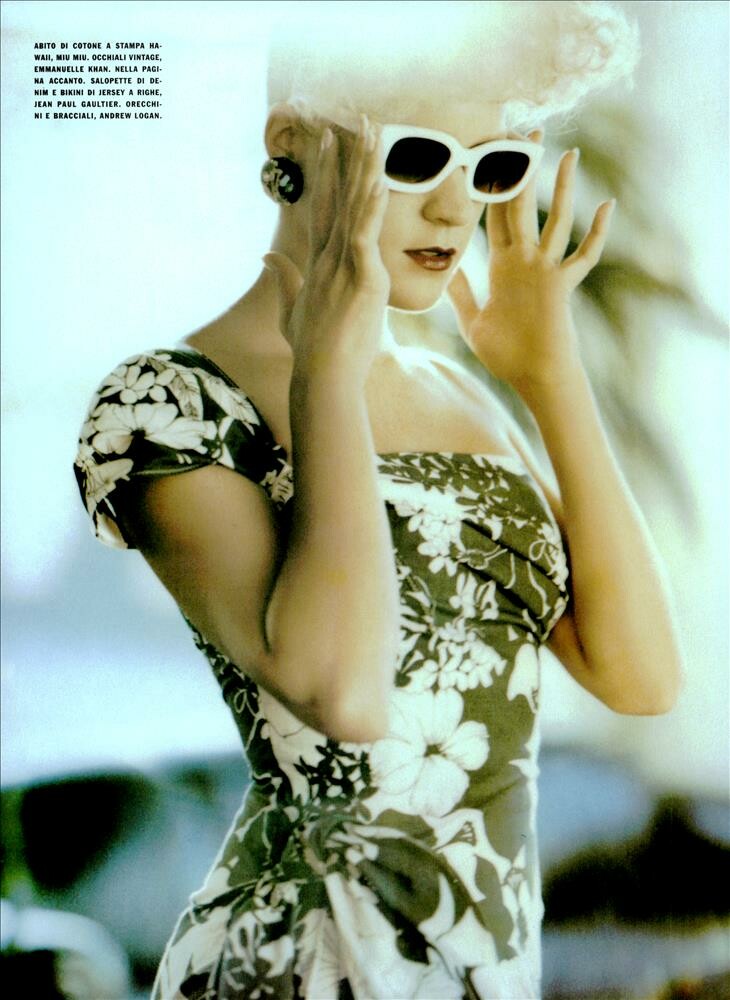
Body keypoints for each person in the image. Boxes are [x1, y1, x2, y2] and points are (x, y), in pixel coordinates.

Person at [74, 2, 683, 997]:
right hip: (304, 960)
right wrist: (328, 373)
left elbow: (641, 677)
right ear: (290, 141)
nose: (453, 209)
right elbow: (343, 695)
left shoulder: (465, 398)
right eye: (417, 157)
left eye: (489, 167)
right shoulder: (166, 405)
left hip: (485, 964)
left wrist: (549, 369)